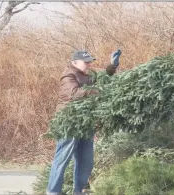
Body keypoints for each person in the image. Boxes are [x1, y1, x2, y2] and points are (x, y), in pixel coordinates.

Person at [46, 49, 122, 195]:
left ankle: (79, 191)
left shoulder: (87, 75)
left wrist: (112, 66)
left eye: (89, 61)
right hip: (69, 123)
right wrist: (97, 91)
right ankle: (53, 191)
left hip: (85, 123)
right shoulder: (68, 74)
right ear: (75, 62)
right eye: (85, 61)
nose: (88, 64)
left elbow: (103, 79)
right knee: (62, 158)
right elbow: (74, 94)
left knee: (86, 161)